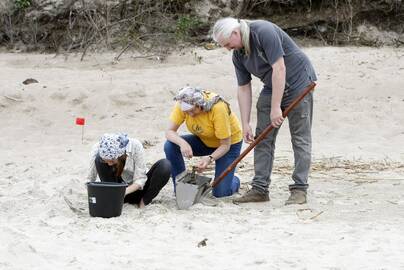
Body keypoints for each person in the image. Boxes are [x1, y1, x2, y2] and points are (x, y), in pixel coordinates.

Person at [212, 17, 317, 205]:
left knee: (300, 138)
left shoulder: (263, 31)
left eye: (228, 44)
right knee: (262, 138)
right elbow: (243, 88)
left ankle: (299, 189)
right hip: (272, 85)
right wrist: (245, 123)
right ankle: (260, 189)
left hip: (299, 82)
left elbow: (280, 68)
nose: (228, 49)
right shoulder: (238, 55)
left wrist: (276, 107)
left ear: (235, 33)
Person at [164, 86, 243, 198]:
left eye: (192, 111)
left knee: (220, 193)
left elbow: (225, 145)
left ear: (200, 104)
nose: (190, 114)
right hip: (205, 140)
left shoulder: (217, 108)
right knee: (170, 145)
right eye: (187, 112)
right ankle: (181, 186)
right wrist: (183, 143)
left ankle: (235, 179)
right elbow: (169, 132)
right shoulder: (182, 103)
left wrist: (209, 159)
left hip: (228, 145)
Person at [87, 133, 171, 208]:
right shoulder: (98, 147)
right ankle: (113, 200)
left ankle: (143, 202)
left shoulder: (135, 146)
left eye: (112, 160)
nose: (109, 164)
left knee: (165, 166)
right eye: (105, 161)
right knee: (98, 159)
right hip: (114, 191)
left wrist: (123, 193)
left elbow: (140, 179)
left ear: (120, 155)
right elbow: (90, 179)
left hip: (138, 191)